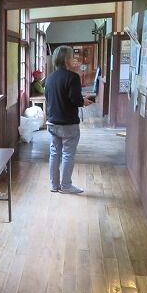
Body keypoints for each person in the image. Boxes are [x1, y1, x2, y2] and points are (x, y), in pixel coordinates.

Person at [44, 45, 92, 194]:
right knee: (68, 154)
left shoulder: (49, 78)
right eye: (72, 57)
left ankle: (54, 185)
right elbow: (75, 100)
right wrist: (83, 101)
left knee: (54, 154)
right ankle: (65, 186)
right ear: (66, 59)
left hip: (52, 122)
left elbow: (49, 98)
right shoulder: (73, 77)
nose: (74, 59)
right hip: (68, 124)